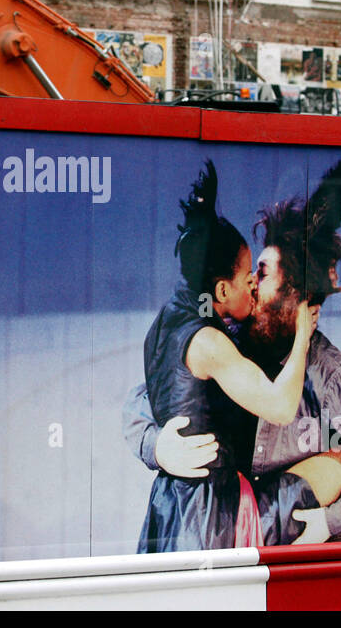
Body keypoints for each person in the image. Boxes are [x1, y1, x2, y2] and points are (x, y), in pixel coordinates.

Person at [128, 159, 341, 545]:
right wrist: (158, 447)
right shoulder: (221, 336)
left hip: (278, 534)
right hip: (215, 524)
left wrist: (334, 519)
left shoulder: (328, 373)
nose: (250, 282)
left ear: (293, 295)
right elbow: (142, 400)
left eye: (260, 275)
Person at [136, 161, 320, 553]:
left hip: (169, 505)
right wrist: (302, 335)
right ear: (221, 291)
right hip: (208, 515)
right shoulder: (208, 343)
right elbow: (282, 408)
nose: (254, 285)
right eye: (246, 278)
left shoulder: (164, 322)